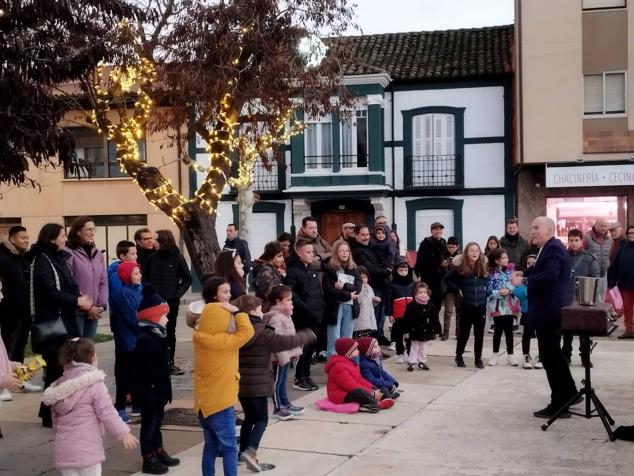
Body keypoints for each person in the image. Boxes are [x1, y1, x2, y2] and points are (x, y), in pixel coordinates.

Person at [234, 295, 315, 471]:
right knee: (262, 419)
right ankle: (251, 450)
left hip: (241, 383)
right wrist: (305, 336)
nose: (262, 311)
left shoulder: (236, 330)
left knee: (249, 418)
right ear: (252, 311)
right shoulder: (262, 332)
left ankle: (241, 451)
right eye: (259, 308)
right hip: (259, 383)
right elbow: (283, 342)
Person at [511, 216, 578, 419]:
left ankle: (559, 403)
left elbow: (549, 275)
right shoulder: (548, 248)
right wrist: (525, 271)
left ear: (550, 230)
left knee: (549, 357)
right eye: (531, 227)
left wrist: (524, 280)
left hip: (550, 311)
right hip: (549, 309)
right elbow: (540, 267)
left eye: (536, 227)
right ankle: (571, 394)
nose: (532, 231)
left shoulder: (554, 248)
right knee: (555, 355)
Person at [41, 338, 139, 476]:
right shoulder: (94, 383)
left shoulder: (59, 387)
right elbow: (107, 412)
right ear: (92, 357)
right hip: (88, 450)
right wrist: (123, 433)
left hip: (65, 451)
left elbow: (55, 421)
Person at [31, 223, 92, 427]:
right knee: (56, 370)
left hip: (65, 322)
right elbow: (48, 292)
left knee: (63, 369)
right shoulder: (42, 260)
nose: (65, 239)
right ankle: (49, 414)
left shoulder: (59, 259)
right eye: (62, 236)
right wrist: (76, 301)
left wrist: (80, 296)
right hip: (52, 325)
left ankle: (50, 411)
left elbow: (70, 284)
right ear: (51, 239)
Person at [193, 280, 254, 476]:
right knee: (229, 449)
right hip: (221, 403)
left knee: (211, 446)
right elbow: (248, 331)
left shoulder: (202, 335)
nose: (228, 296)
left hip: (204, 403)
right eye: (225, 292)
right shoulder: (225, 341)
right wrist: (238, 312)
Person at [134, 285, 181, 474]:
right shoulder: (145, 339)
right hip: (150, 392)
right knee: (149, 424)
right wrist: (152, 391)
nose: (167, 319)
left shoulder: (159, 335)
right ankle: (148, 458)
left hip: (159, 391)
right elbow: (145, 371)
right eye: (164, 315)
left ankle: (158, 451)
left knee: (157, 423)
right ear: (153, 316)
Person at [143, 229, 192, 376]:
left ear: (164, 241)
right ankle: (154, 363)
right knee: (153, 332)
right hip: (153, 302)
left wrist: (176, 295)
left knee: (170, 332)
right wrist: (150, 292)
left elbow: (188, 279)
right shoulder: (152, 258)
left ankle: (169, 362)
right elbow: (144, 278)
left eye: (156, 240)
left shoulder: (177, 258)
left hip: (171, 303)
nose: (153, 242)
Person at [263, 285, 308, 421]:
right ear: (278, 301)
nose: (291, 302)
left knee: (283, 381)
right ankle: (278, 407)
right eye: (288, 300)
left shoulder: (285, 315)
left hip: (285, 356)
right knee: (277, 382)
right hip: (278, 357)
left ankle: (285, 403)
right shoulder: (276, 317)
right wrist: (283, 356)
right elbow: (275, 340)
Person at [284, 238, 323, 391]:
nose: (311, 255)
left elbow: (317, 292)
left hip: (315, 314)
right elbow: (291, 293)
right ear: (299, 253)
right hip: (302, 315)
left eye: (312, 252)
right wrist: (306, 308)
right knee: (303, 348)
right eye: (308, 252)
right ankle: (299, 377)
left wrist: (320, 308)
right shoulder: (293, 271)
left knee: (311, 348)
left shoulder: (311, 270)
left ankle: (306, 375)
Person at [0, 226, 38, 378]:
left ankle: (20, 378)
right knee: (7, 346)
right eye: (23, 238)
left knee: (21, 346)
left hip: (25, 310)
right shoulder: (3, 258)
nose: (26, 241)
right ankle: (4, 382)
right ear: (12, 239)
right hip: (8, 311)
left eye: (27, 238)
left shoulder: (22, 258)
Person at [443, 242, 489, 369]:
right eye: (471, 250)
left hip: (480, 306)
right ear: (466, 253)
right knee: (464, 333)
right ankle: (459, 356)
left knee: (479, 334)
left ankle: (478, 358)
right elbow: (447, 279)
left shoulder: (483, 268)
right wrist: (457, 289)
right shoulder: (460, 269)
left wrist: (487, 291)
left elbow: (488, 281)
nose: (474, 253)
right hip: (466, 306)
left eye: (477, 251)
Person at [109, 259, 142, 423]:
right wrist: (146, 328)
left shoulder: (138, 289)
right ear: (127, 276)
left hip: (137, 338)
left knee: (137, 373)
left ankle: (137, 404)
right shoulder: (122, 293)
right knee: (125, 375)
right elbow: (132, 316)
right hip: (127, 339)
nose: (140, 276)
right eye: (136, 273)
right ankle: (120, 407)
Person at [324, 337, 395, 413]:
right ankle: (374, 404)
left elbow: (359, 379)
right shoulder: (338, 367)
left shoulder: (351, 363)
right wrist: (370, 393)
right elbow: (350, 385)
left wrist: (372, 389)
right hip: (340, 395)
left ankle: (385, 399)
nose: (358, 351)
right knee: (359, 392)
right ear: (348, 352)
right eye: (355, 349)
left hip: (350, 391)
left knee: (382, 389)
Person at [66, 216, 108, 339]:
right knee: (77, 350)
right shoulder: (69, 252)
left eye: (93, 229)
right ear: (78, 231)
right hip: (76, 311)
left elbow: (103, 281)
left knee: (89, 350)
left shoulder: (98, 254)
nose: (92, 233)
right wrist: (88, 307)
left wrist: (101, 305)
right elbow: (69, 281)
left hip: (94, 312)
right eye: (88, 229)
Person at [350, 224, 392, 345]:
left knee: (381, 313)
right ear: (356, 235)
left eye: (367, 234)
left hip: (380, 283)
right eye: (363, 235)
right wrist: (387, 271)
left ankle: (379, 335)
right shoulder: (357, 250)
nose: (366, 237)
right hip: (369, 285)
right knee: (372, 313)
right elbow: (370, 269)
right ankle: (373, 338)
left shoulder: (371, 246)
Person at [563, 229, 599, 365]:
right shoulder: (563, 256)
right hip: (566, 297)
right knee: (567, 329)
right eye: (571, 240)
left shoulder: (589, 257)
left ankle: (585, 356)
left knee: (584, 330)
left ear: (581, 240)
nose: (573, 243)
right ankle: (566, 355)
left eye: (576, 240)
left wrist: (591, 295)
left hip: (583, 299)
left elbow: (595, 276)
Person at [323, 240, 361, 357]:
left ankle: (346, 364)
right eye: (341, 251)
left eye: (347, 251)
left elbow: (358, 287)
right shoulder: (330, 269)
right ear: (336, 253)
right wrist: (349, 295)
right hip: (335, 307)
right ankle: (334, 365)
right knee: (334, 337)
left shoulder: (353, 268)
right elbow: (329, 290)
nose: (345, 253)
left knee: (347, 337)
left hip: (350, 306)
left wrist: (344, 286)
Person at [486, 248, 521, 367]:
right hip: (496, 306)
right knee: (498, 330)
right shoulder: (491, 273)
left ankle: (511, 355)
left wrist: (509, 289)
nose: (507, 259)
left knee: (509, 330)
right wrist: (499, 292)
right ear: (496, 260)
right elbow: (488, 290)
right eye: (504, 258)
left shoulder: (510, 272)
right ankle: (495, 354)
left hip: (510, 305)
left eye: (507, 257)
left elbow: (516, 284)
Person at [403, 282, 441, 371]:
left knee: (423, 347)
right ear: (415, 293)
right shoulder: (411, 305)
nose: (423, 294)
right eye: (420, 292)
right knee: (414, 346)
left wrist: (437, 329)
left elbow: (434, 318)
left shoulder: (430, 305)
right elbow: (406, 319)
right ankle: (412, 362)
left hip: (426, 330)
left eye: (424, 292)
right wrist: (406, 331)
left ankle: (422, 361)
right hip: (415, 330)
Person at [414, 222, 447, 323]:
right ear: (431, 231)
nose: (438, 231)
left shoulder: (443, 242)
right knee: (427, 302)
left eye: (440, 229)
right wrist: (418, 275)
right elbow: (419, 260)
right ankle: (426, 325)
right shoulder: (426, 243)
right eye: (436, 229)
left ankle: (434, 325)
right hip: (428, 277)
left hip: (440, 278)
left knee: (437, 305)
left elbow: (445, 257)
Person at [516, 255, 543, 369]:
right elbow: (519, 293)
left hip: (539, 311)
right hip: (527, 311)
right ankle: (526, 356)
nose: (531, 265)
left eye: (534, 263)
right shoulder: (522, 280)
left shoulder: (540, 278)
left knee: (541, 335)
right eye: (528, 263)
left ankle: (542, 356)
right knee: (526, 334)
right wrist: (528, 291)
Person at [385, 258, 414, 362]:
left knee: (409, 335)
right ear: (396, 271)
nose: (403, 272)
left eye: (405, 270)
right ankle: (399, 353)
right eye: (401, 270)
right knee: (398, 334)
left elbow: (415, 297)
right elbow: (388, 300)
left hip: (410, 314)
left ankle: (409, 353)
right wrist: (390, 313)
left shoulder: (412, 283)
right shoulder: (392, 284)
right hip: (398, 314)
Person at [608, 225, 634, 339]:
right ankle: (629, 330)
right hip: (625, 284)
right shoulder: (623, 247)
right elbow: (615, 265)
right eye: (630, 233)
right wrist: (612, 281)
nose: (632, 235)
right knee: (627, 309)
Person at [583, 218, 613, 300]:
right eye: (601, 226)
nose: (603, 228)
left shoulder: (609, 239)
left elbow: (610, 253)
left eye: (605, 226)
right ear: (595, 226)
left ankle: (601, 312)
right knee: (592, 296)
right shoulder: (587, 237)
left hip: (604, 271)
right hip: (591, 273)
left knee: (603, 294)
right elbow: (582, 253)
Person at [439, 236, 461, 341]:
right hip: (448, 288)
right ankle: (446, 332)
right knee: (448, 311)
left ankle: (458, 332)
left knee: (459, 311)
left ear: (457, 247)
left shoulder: (461, 257)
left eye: (453, 247)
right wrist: (443, 266)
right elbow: (439, 273)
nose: (451, 249)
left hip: (459, 287)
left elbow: (464, 272)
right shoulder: (443, 255)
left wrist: (455, 266)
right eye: (449, 247)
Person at [352, 266, 379, 339]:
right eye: (361, 278)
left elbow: (371, 302)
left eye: (365, 277)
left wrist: (375, 300)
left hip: (368, 316)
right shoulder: (356, 288)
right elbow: (358, 300)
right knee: (359, 336)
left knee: (366, 335)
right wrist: (362, 289)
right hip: (360, 317)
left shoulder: (369, 288)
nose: (363, 279)